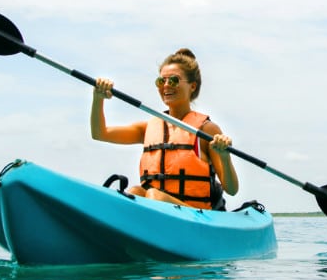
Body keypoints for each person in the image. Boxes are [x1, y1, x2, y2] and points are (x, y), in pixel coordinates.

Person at [90, 48, 238, 210]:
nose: (166, 85)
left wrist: (225, 157)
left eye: (174, 80)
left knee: (154, 195)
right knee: (135, 192)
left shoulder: (206, 130)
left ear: (192, 86)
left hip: (196, 216)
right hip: (159, 210)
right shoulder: (148, 128)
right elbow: (99, 133)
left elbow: (231, 189)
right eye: (161, 81)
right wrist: (98, 98)